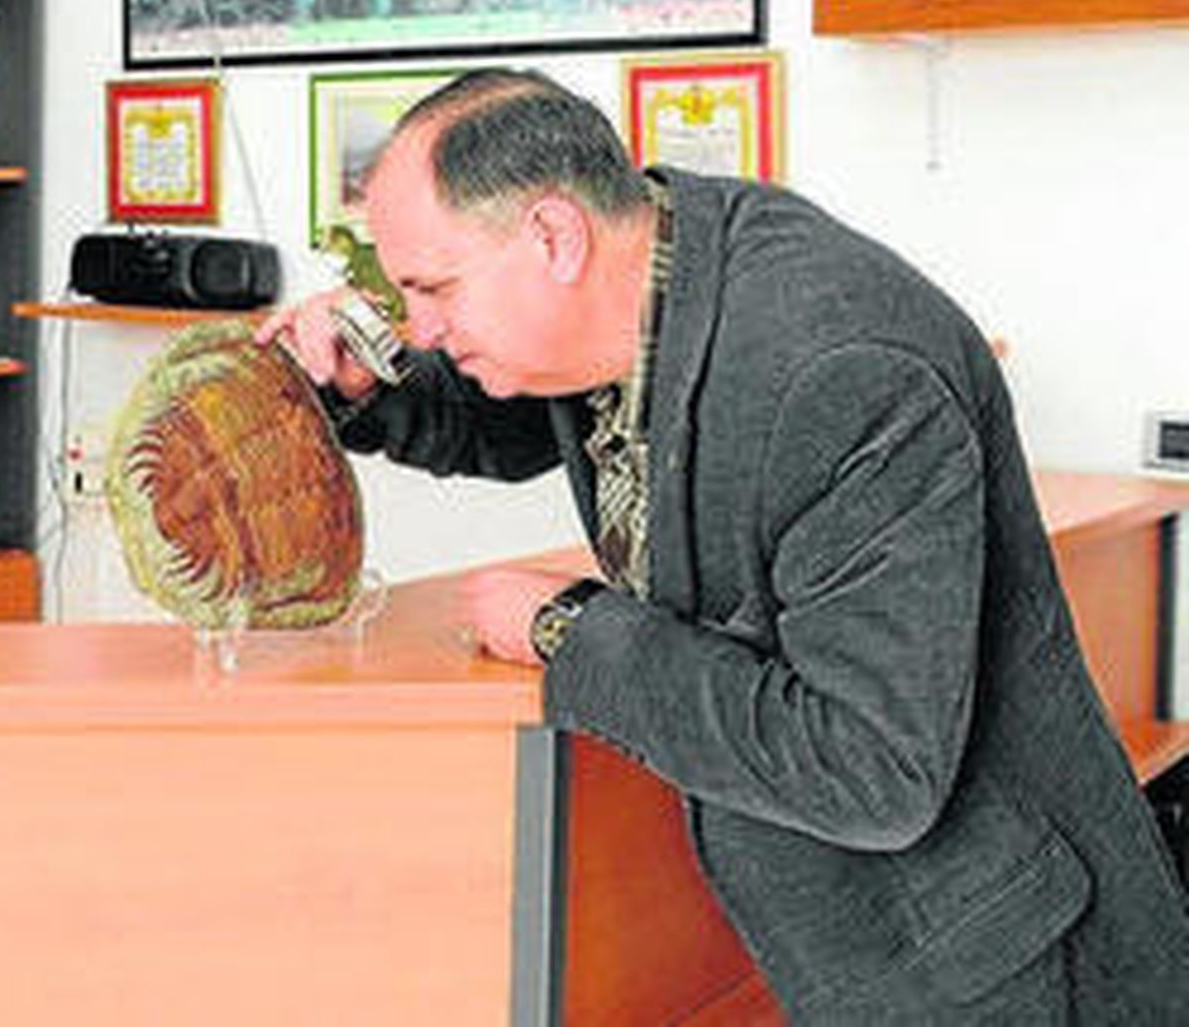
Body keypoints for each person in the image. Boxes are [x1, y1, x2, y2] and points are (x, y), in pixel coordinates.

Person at [259, 67, 1189, 1022]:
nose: (421, 327)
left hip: (1005, 966)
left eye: (433, 287)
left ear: (552, 235)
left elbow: (873, 768)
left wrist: (572, 630)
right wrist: (367, 393)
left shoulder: (842, 371)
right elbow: (529, 401)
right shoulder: (648, 265)